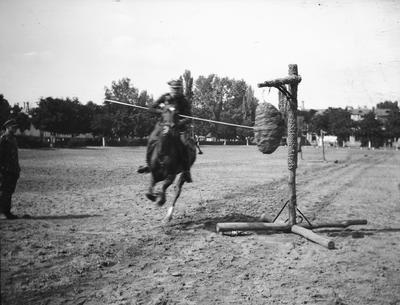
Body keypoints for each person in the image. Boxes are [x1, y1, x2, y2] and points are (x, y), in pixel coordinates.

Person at [138, 79, 193, 182]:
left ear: (180, 89)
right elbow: (151, 108)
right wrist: (162, 111)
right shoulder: (165, 97)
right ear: (170, 88)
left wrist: (178, 122)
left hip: (178, 128)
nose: (176, 90)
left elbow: (189, 117)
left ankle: (186, 171)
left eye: (178, 88)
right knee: (151, 139)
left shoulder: (183, 101)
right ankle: (148, 164)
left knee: (184, 144)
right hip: (163, 125)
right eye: (174, 88)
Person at [0, 119, 21, 219]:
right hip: (6, 170)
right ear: (7, 127)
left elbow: (14, 156)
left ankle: (6, 212)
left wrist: (17, 168)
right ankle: (4, 213)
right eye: (13, 127)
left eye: (16, 127)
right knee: (5, 192)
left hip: (13, 170)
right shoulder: (3, 139)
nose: (15, 128)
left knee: (9, 191)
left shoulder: (13, 138)